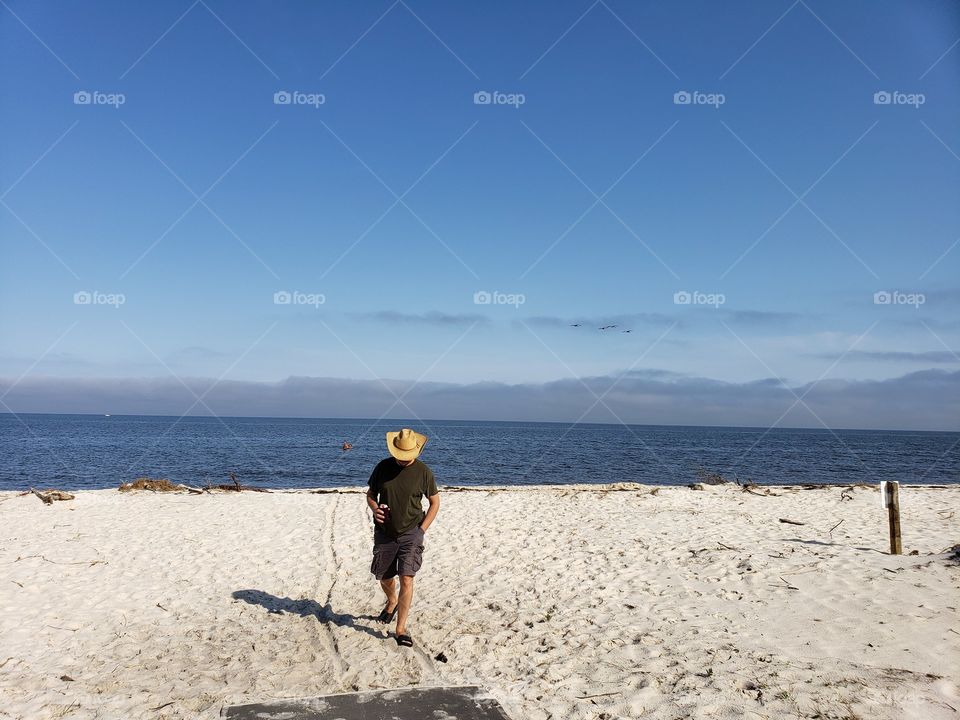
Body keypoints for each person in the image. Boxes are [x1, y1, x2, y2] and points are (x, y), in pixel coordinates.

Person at [366, 428, 439, 647]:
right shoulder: (382, 467)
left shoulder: (424, 472)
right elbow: (370, 494)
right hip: (385, 533)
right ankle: (392, 601)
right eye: (400, 455)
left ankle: (400, 628)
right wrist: (374, 507)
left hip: (411, 533)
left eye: (407, 456)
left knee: (407, 578)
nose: (403, 459)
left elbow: (435, 503)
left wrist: (421, 531)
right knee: (384, 577)